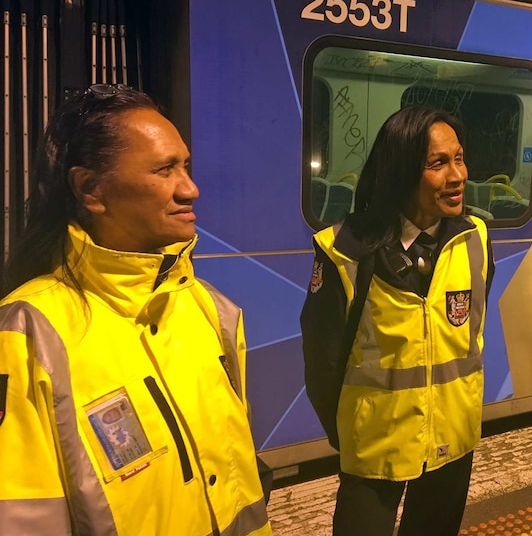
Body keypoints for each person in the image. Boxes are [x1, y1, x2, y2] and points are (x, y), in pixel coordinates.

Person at [0, 85, 272, 536]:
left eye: (185, 166)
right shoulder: (30, 334)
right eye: (165, 170)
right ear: (90, 189)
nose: (190, 189)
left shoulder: (211, 309)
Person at [301, 106, 494, 536]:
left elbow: (471, 335)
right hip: (375, 446)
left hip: (452, 441)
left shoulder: (475, 238)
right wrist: (348, 434)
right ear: (401, 171)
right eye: (438, 163)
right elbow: (322, 360)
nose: (458, 175)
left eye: (459, 158)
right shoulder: (344, 251)